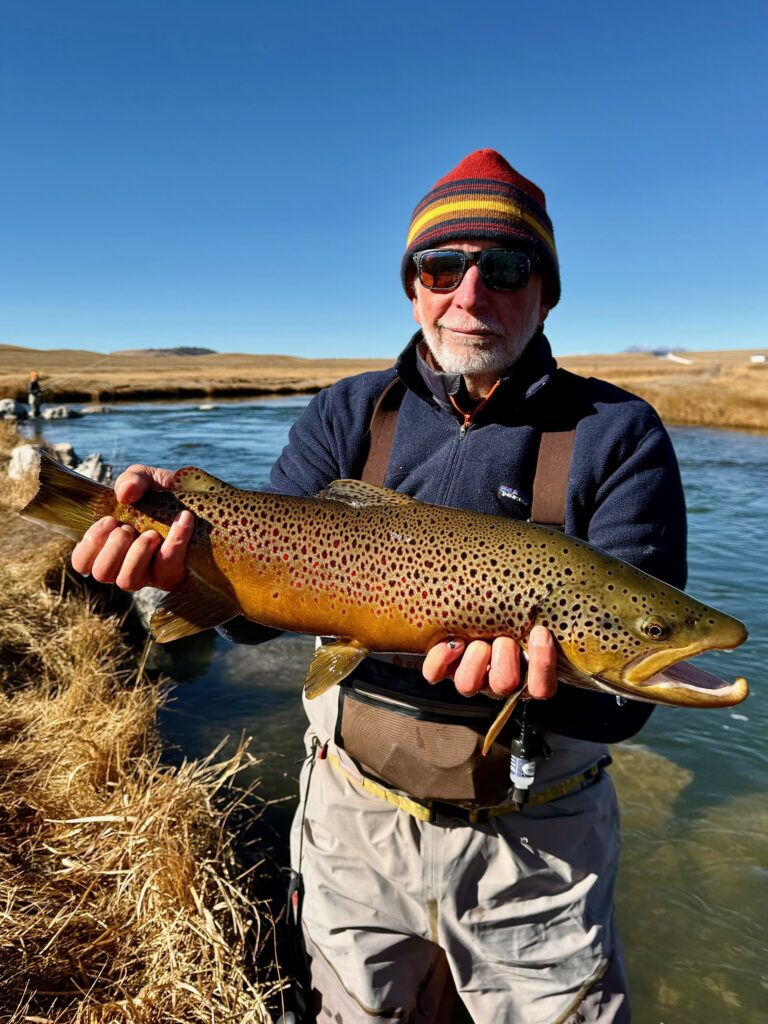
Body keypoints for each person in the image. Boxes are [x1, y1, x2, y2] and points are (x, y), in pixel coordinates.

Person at [71, 149, 687, 1023]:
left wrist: (542, 694)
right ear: (414, 288)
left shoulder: (616, 433)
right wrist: (175, 579)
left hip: (538, 846)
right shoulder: (346, 413)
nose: (469, 294)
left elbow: (627, 700)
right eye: (442, 267)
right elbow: (251, 623)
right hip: (352, 825)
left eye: (505, 268)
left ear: (547, 290)